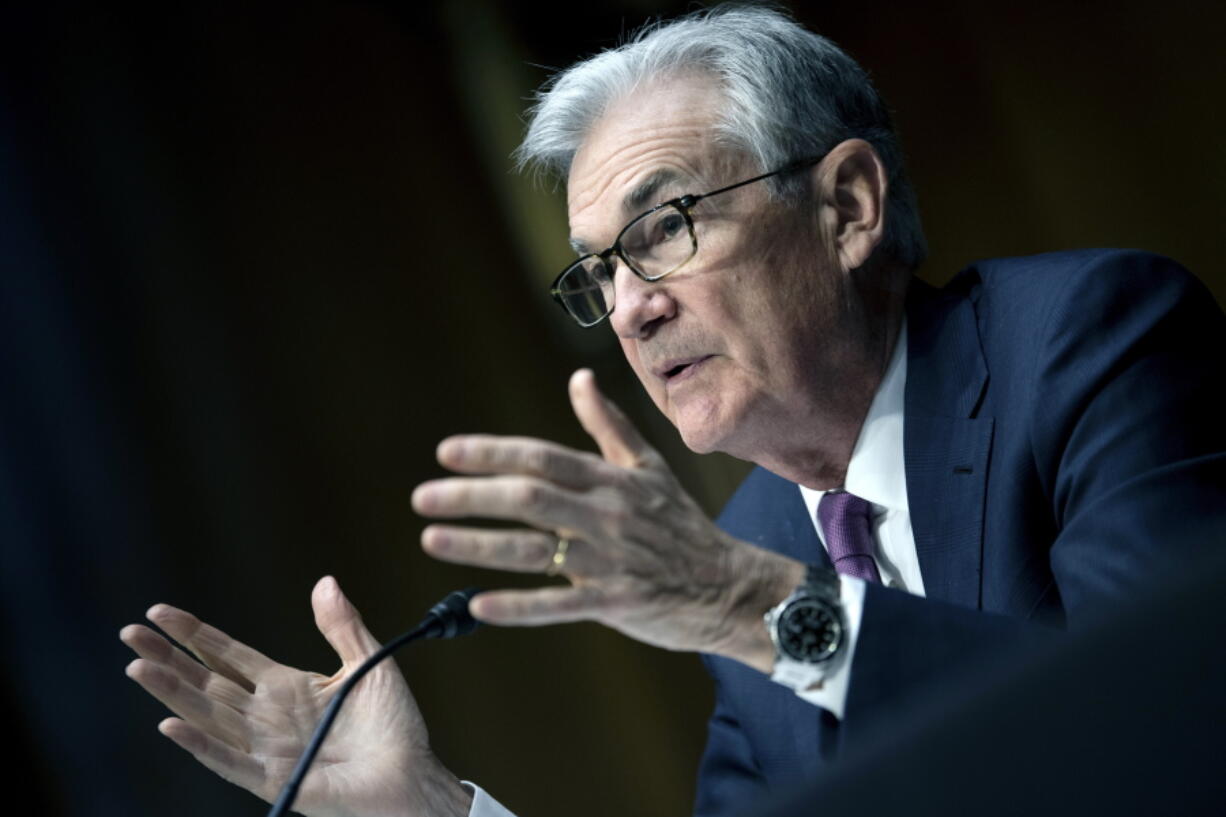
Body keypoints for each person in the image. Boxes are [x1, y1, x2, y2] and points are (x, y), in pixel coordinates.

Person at [119, 6, 1226, 817]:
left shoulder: (1087, 342)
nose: (632, 310)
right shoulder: (759, 536)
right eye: (598, 273)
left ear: (845, 205)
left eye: (665, 227)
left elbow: (1169, 731)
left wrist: (749, 606)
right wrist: (429, 808)